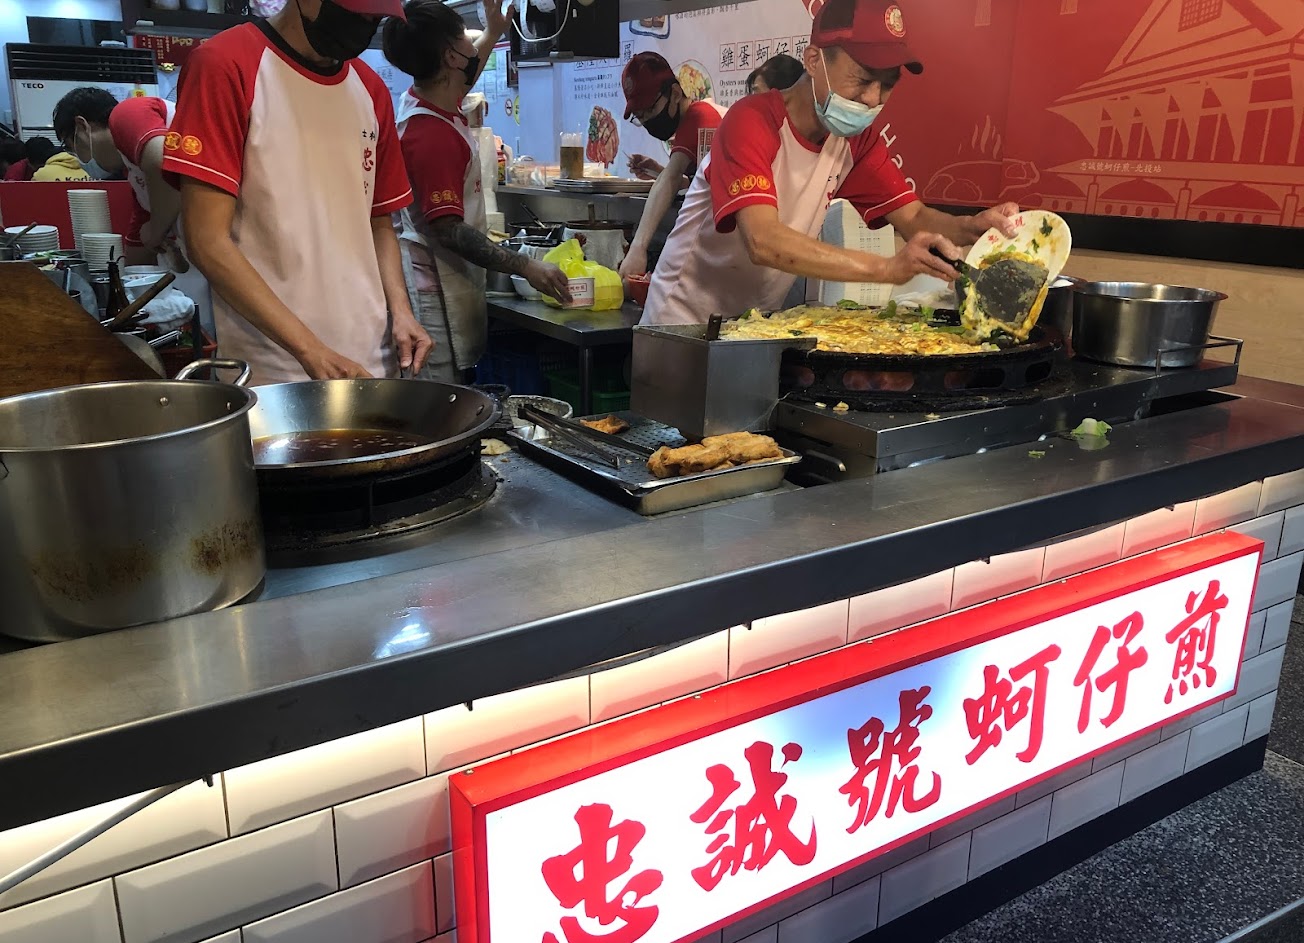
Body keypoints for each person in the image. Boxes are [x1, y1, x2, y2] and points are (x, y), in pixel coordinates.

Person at [641, 0, 1019, 326]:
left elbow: (915, 217)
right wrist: (887, 268)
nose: (873, 99)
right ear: (814, 60)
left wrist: (972, 227)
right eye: (863, 79)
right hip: (680, 322)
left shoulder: (856, 140)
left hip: (752, 327)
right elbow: (763, 240)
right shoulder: (751, 121)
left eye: (888, 84)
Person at [161, 0, 432, 384]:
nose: (365, 24)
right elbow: (207, 241)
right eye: (357, 13)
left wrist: (402, 312)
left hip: (372, 358)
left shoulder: (369, 88)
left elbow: (378, 221)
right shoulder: (225, 65)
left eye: (375, 18)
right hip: (275, 369)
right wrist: (310, 349)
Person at [381, 0, 569, 381]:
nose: (473, 43)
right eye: (464, 37)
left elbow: (464, 75)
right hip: (435, 300)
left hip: (446, 286)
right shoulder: (431, 136)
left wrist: (495, 31)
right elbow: (449, 230)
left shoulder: (427, 97)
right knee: (440, 405)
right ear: (452, 57)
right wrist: (527, 265)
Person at [618, 51, 725, 280]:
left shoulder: (700, 116)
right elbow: (702, 182)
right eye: (640, 116)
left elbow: (671, 179)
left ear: (675, 93)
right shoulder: (696, 121)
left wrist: (638, 248)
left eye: (650, 110)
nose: (647, 120)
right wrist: (658, 170)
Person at [52, 87, 184, 267]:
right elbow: (138, 242)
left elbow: (162, 164)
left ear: (82, 127)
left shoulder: (127, 112)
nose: (78, 159)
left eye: (71, 147)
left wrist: (155, 231)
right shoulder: (134, 172)